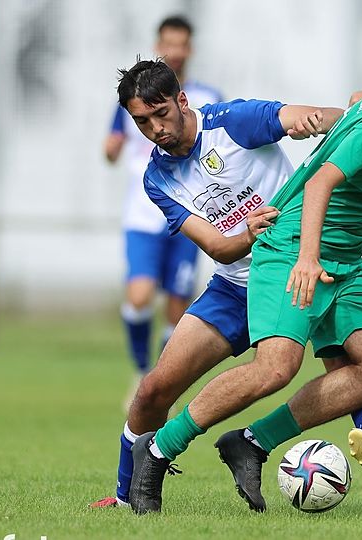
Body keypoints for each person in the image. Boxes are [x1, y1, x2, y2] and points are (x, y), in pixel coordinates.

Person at [127, 35, 362, 513]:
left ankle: (251, 443)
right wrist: (306, 258)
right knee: (275, 368)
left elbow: (361, 99)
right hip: (293, 248)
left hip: (346, 259)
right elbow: (322, 180)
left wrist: (345, 115)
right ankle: (159, 449)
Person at [89, 59, 362, 511]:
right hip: (234, 288)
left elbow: (310, 118)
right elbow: (218, 246)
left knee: (358, 364)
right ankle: (124, 495)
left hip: (297, 270)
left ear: (182, 100)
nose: (155, 129)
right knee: (155, 389)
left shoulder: (233, 121)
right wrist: (248, 233)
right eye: (142, 122)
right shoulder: (157, 178)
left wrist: (336, 118)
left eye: (161, 114)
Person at [103, 16, 222, 395]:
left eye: (181, 44)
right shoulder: (132, 99)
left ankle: (159, 382)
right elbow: (111, 146)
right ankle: (141, 371)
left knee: (177, 309)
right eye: (168, 43)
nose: (175, 51)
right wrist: (111, 149)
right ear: (158, 46)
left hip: (193, 212)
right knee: (139, 297)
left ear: (190, 49)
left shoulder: (207, 96)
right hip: (144, 213)